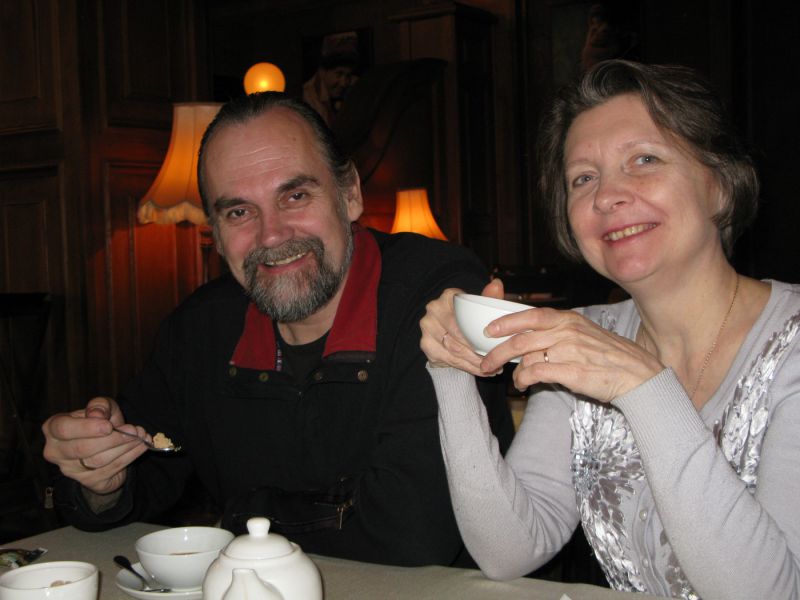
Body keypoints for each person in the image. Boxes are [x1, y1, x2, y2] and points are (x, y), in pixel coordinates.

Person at [42, 92, 513, 566]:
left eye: (295, 196)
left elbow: (415, 532)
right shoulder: (200, 330)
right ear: (215, 233)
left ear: (350, 194)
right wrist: (98, 476)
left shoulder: (438, 299)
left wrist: (240, 516)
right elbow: (135, 482)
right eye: (239, 212)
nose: (271, 235)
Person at [420, 59, 800, 599]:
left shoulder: (791, 345)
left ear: (721, 185)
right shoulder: (584, 339)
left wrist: (644, 389)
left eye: (644, 159)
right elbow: (510, 550)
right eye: (584, 178)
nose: (606, 196)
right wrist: (453, 368)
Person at [302, 32, 360, 125]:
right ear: (322, 71)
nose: (344, 83)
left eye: (348, 76)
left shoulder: (354, 87)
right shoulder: (307, 98)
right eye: (339, 74)